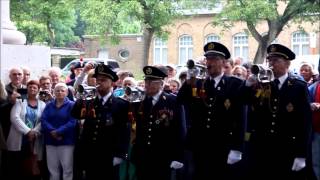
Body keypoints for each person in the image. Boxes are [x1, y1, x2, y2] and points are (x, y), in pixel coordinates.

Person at [177, 42, 246, 180]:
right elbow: (180, 101)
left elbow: (240, 117)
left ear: (223, 62)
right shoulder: (197, 82)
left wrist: (237, 147)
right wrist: (188, 82)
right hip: (199, 142)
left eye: (214, 59)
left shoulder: (235, 84)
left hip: (223, 143)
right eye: (208, 59)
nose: (210, 62)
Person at [245, 44, 312, 180]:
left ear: (287, 63)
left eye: (275, 60)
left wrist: (301, 154)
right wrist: (247, 84)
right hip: (263, 147)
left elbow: (304, 122)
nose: (271, 64)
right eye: (269, 60)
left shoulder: (298, 87)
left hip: (287, 148)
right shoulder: (263, 84)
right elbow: (243, 101)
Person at [71, 64, 130, 180]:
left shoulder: (121, 104)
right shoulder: (89, 100)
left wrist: (120, 154)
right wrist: (81, 97)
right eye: (97, 80)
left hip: (109, 154)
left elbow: (124, 131)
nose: (99, 83)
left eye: (103, 80)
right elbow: (75, 114)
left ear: (112, 83)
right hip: (89, 154)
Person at [131, 65, 184, 180]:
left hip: (164, 156)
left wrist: (178, 156)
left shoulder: (172, 101)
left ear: (161, 83)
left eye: (151, 82)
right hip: (142, 155)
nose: (147, 85)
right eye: (146, 81)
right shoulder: (139, 101)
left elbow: (179, 129)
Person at [6, 80, 46, 180]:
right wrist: (28, 131)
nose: (32, 89)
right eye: (30, 87)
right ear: (26, 89)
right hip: (20, 140)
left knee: (33, 167)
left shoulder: (42, 104)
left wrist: (34, 131)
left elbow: (44, 120)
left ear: (38, 90)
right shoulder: (20, 101)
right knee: (18, 168)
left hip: (35, 139)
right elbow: (14, 118)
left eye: (35, 88)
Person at [41, 83, 77, 180]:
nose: (60, 92)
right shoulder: (49, 105)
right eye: (57, 90)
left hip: (66, 142)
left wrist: (59, 131)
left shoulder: (72, 105)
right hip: (50, 141)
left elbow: (73, 121)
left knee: (67, 169)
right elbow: (43, 120)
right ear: (54, 92)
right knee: (52, 169)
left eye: (62, 90)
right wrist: (52, 131)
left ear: (67, 92)